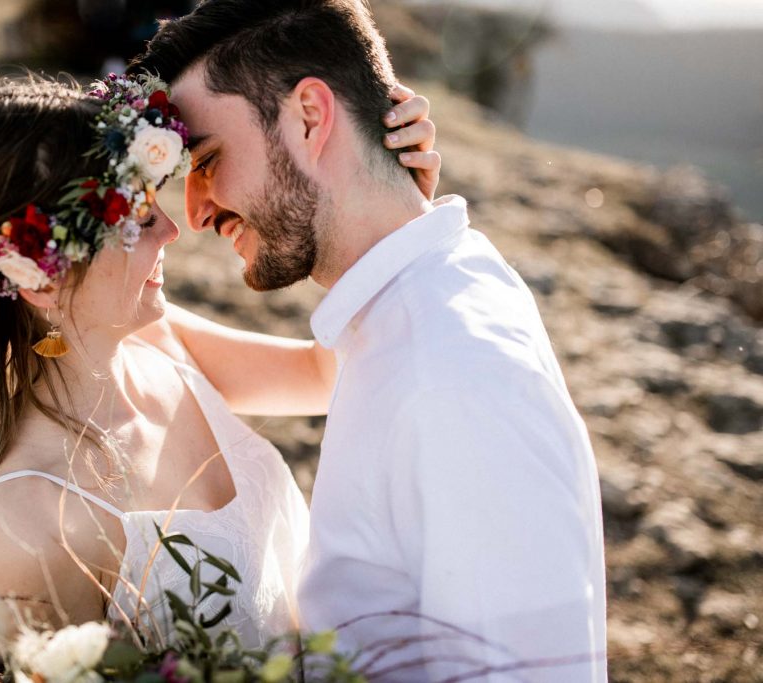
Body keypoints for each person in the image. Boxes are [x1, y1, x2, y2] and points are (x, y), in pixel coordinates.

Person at [130, 0, 608, 680]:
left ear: (310, 117)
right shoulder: (412, 304)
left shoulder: (451, 374)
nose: (197, 212)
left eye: (208, 159)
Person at [0, 71, 438, 654]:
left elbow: (326, 376)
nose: (174, 231)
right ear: (41, 277)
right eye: (138, 218)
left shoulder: (162, 340)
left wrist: (391, 211)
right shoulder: (25, 526)